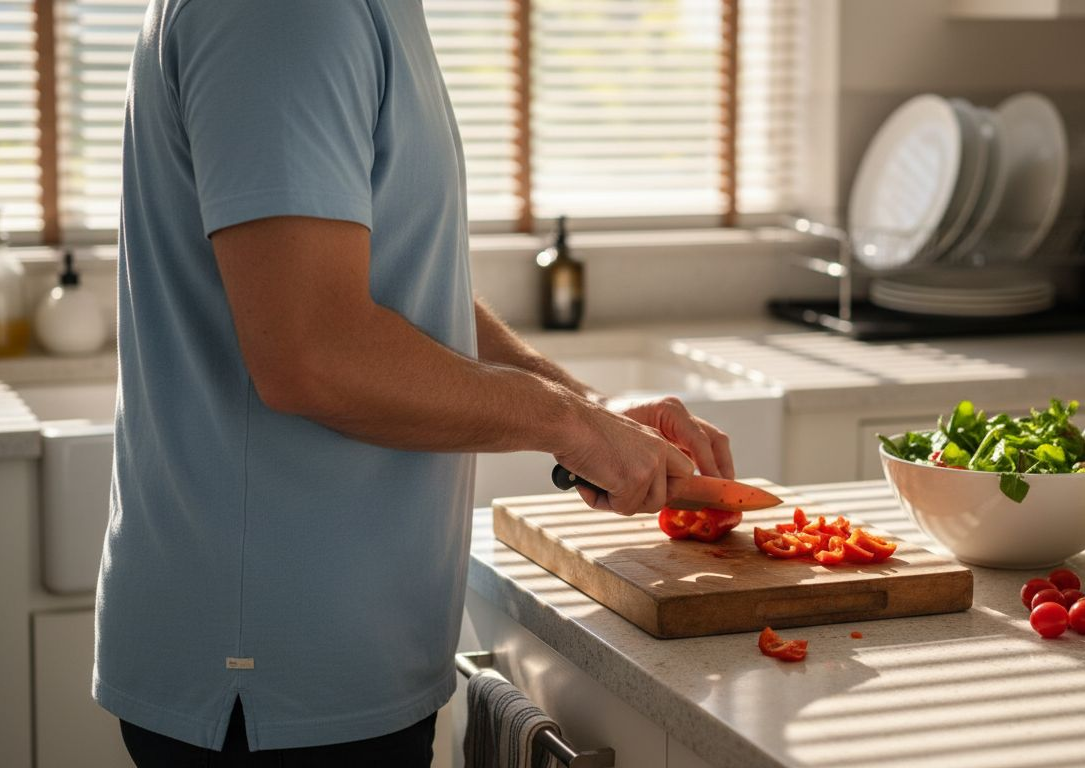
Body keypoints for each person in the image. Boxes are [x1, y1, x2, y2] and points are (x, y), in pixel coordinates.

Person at [95, 0, 735, 765]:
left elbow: (380, 285)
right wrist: (567, 423)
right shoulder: (288, 14)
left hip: (346, 659)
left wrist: (591, 410)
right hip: (274, 676)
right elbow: (316, 352)